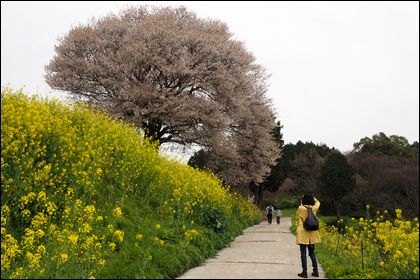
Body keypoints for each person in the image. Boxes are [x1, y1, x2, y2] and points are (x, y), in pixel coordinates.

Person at [296, 194, 320, 278]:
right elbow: (318, 202)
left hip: (303, 233)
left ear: (303, 200)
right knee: (312, 253)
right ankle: (316, 271)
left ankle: (304, 272)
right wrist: (313, 198)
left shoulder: (301, 208)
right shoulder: (314, 208)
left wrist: (303, 200)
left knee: (303, 253)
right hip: (312, 234)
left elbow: (297, 215)